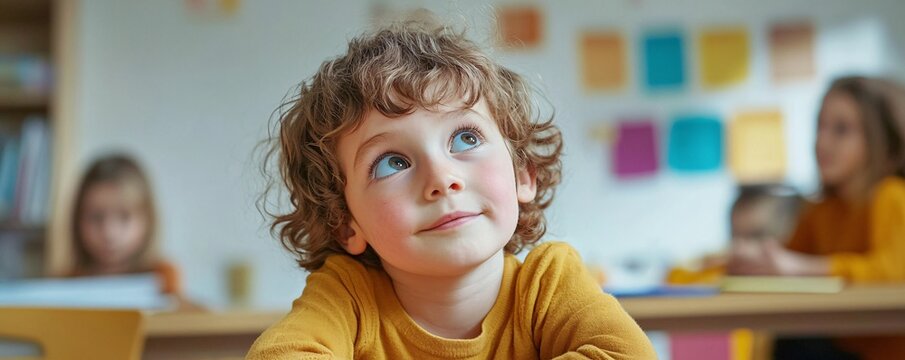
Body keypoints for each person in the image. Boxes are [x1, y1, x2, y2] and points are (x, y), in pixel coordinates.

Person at [248, 19, 655, 359]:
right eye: (393, 163)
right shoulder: (348, 297)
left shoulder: (547, 283)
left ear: (523, 175)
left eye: (465, 139)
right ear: (345, 223)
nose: (442, 179)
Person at [729, 76, 905, 360]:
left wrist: (801, 268)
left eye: (841, 129)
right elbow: (785, 262)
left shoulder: (892, 196)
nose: (822, 141)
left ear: (878, 139)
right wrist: (747, 261)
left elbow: (893, 273)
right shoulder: (822, 211)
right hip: (844, 347)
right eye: (819, 127)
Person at [70, 154, 182, 298]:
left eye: (124, 216)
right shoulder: (65, 282)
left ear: (148, 218)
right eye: (96, 217)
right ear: (77, 219)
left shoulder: (163, 278)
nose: (109, 233)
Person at [667, 184, 803, 285]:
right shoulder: (725, 264)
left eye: (757, 236)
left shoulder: (808, 272)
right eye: (735, 236)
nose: (740, 249)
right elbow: (673, 276)